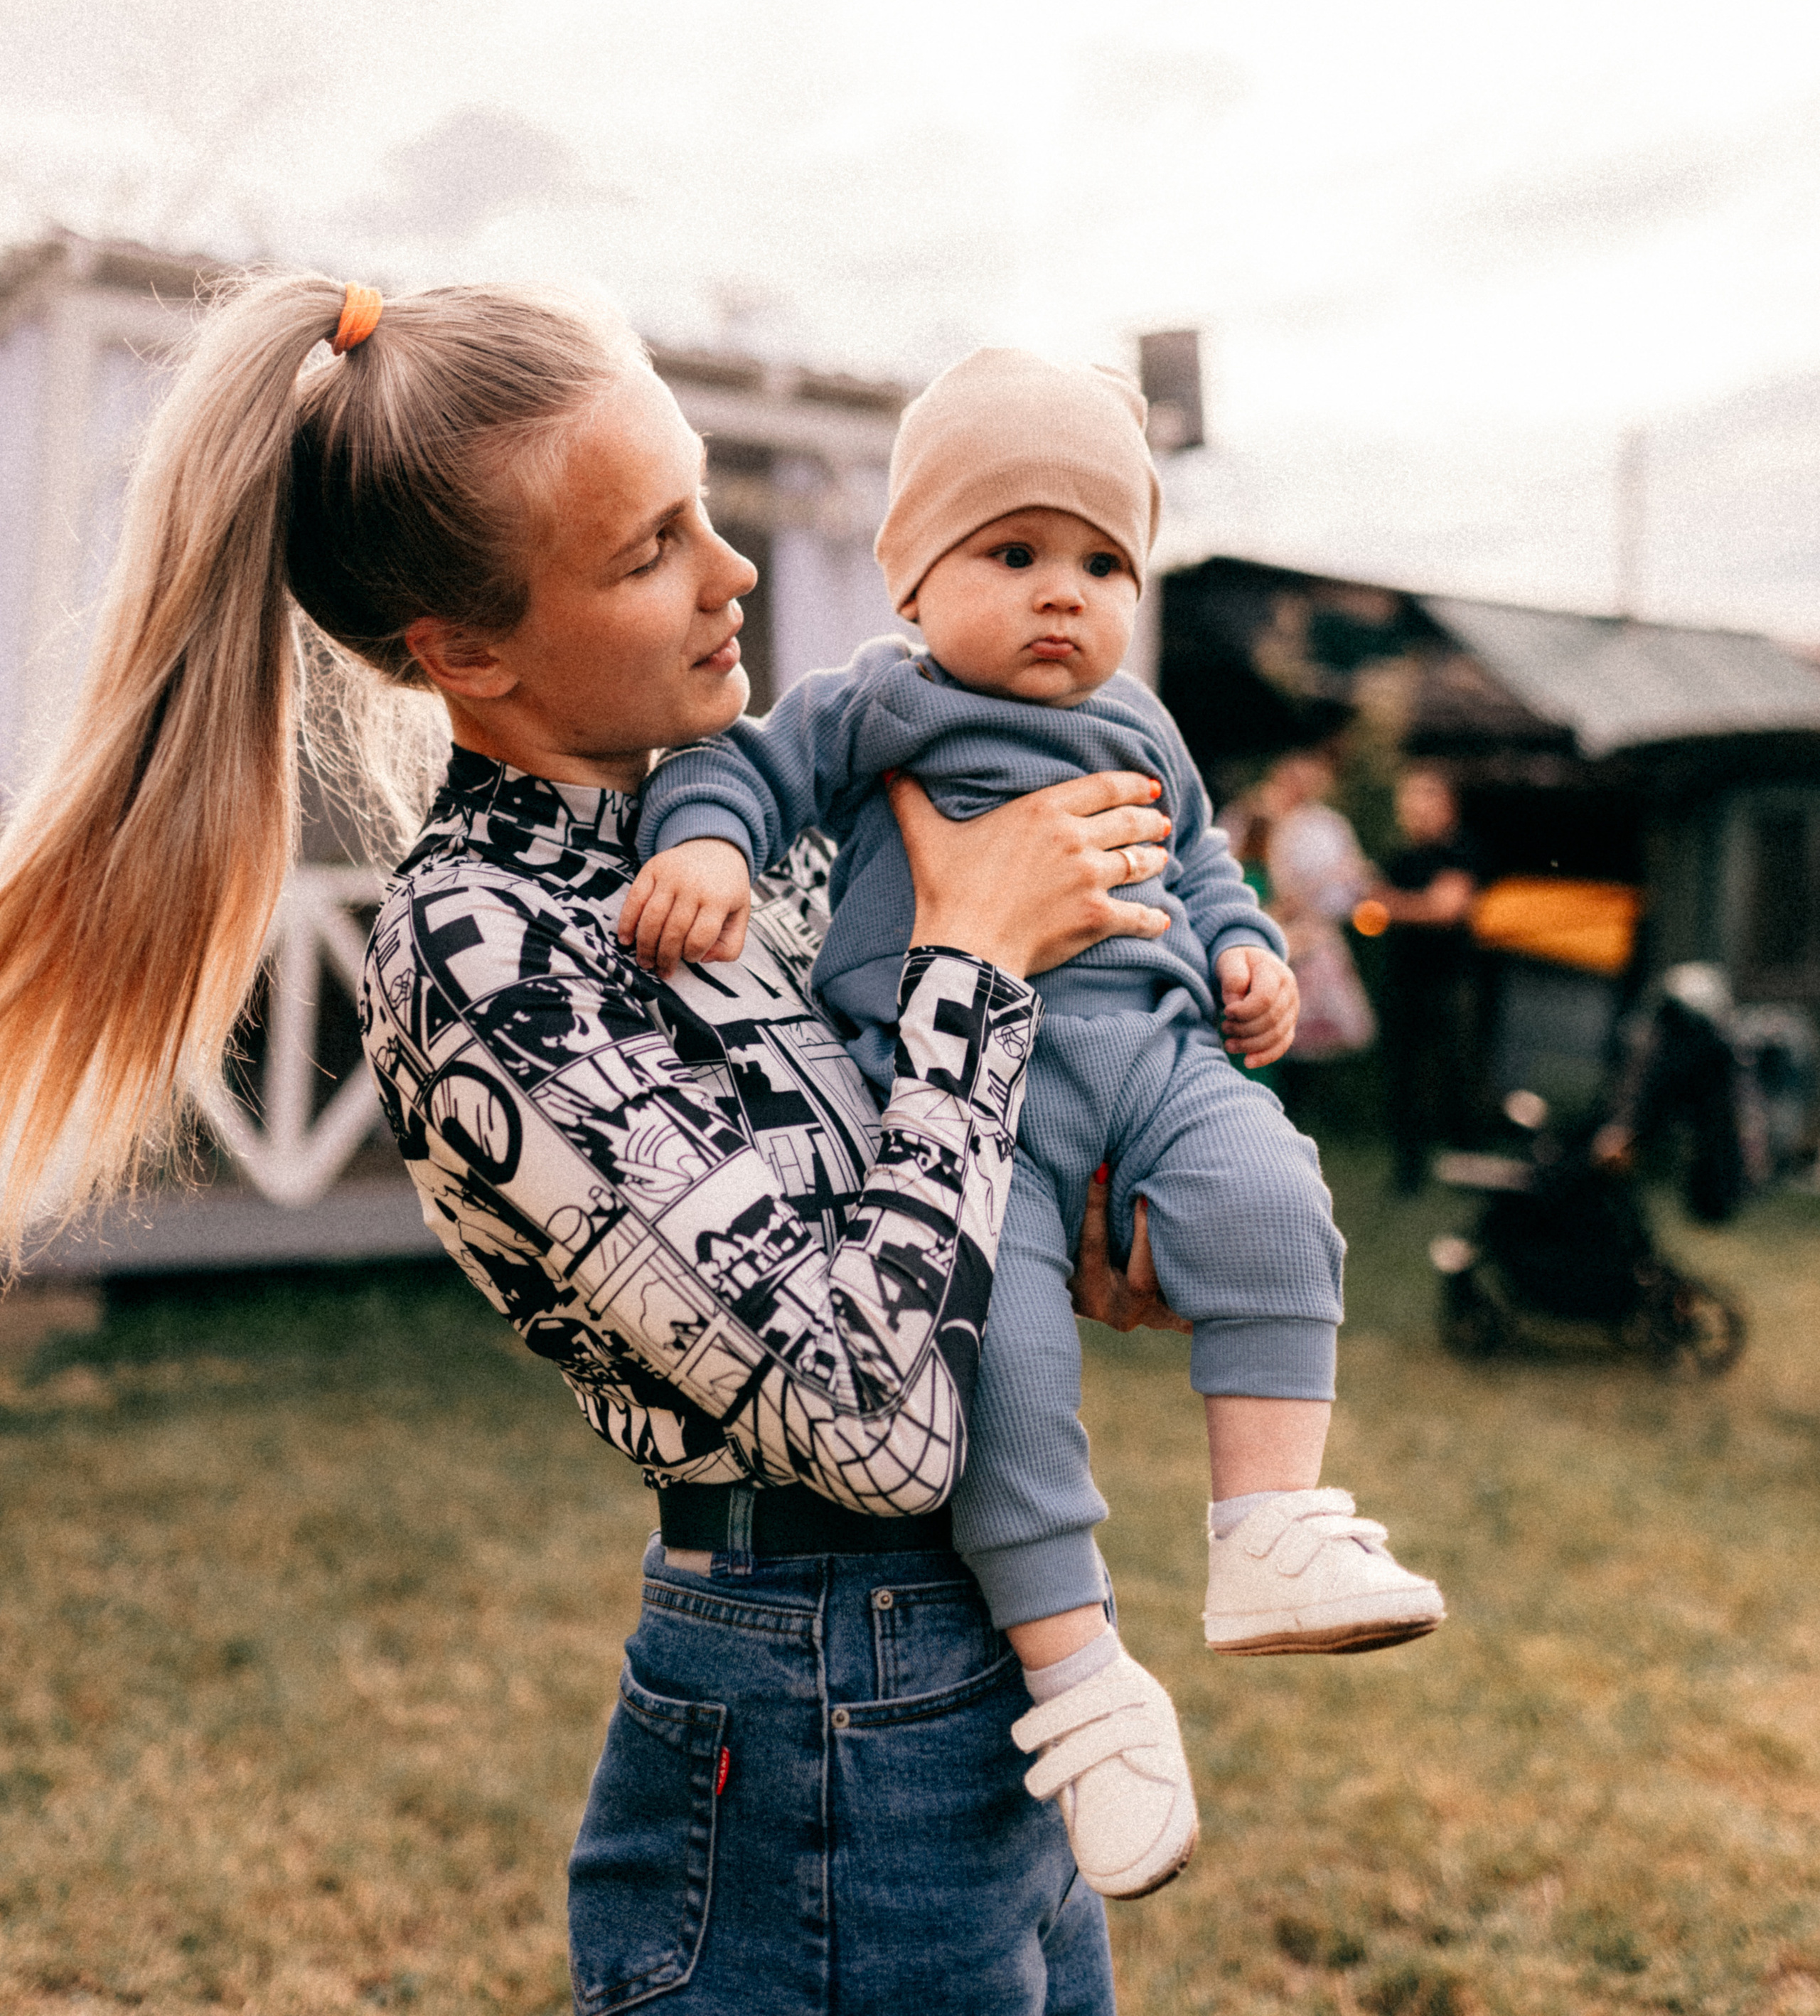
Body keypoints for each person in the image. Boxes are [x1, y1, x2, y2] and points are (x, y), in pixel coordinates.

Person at [0, 275, 1200, 2015]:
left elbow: (905, 1237)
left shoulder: (739, 834)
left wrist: (1094, 1233)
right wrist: (971, 961)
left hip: (983, 1666)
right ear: (464, 652)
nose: (728, 572)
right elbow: (863, 1425)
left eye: (704, 502)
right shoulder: (481, 947)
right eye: (648, 548)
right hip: (815, 1716)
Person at [628, 348, 1445, 1887]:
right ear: (915, 579)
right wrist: (717, 856)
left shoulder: (1141, 719)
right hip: (964, 1100)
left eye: (1098, 560)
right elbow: (735, 773)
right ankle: (1080, 1681)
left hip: (1149, 1063)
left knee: (1277, 1199)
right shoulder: (881, 698)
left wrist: (1245, 952)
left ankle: (1266, 1522)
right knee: (993, 1369)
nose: (1061, 594)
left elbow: (1202, 863)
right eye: (1012, 554)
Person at [1375, 767, 1484, 1196]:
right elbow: (1370, 910)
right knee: (1403, 1076)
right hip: (1404, 979)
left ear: (1447, 805)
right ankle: (1408, 1172)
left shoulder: (1462, 851)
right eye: (1410, 799)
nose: (1415, 809)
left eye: (1425, 798)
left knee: (1457, 1073)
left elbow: (1446, 911)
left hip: (1451, 981)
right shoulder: (1400, 857)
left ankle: (1469, 1166)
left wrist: (1389, 904)